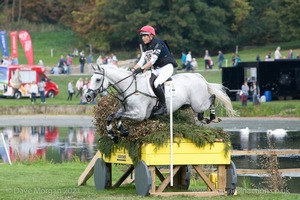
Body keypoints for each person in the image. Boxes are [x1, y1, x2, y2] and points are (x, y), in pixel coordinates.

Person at [132, 25, 177, 115]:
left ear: (151, 36)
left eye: (145, 36)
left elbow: (152, 61)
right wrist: (132, 70)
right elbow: (140, 62)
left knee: (157, 83)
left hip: (166, 68)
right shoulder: (146, 47)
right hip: (157, 69)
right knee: (147, 82)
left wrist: (141, 69)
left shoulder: (158, 43)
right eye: (142, 36)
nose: (143, 38)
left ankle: (163, 107)